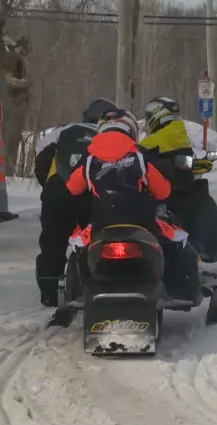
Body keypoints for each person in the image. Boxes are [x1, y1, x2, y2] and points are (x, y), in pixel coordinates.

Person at [64, 109, 203, 304]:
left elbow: (72, 188)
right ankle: (177, 292)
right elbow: (163, 192)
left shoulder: (89, 160)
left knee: (78, 249)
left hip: (102, 225)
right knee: (178, 243)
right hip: (141, 223)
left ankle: (80, 293)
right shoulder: (139, 157)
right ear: (130, 130)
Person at [32, 98, 118, 307]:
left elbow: (41, 158)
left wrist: (51, 186)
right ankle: (96, 285)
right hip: (92, 194)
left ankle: (49, 292)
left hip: (57, 192)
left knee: (52, 243)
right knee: (97, 239)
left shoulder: (63, 131)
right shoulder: (111, 135)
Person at [138, 96, 217, 262]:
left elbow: (142, 163)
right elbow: (182, 162)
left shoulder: (152, 142)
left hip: (163, 194)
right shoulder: (179, 135)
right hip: (185, 192)